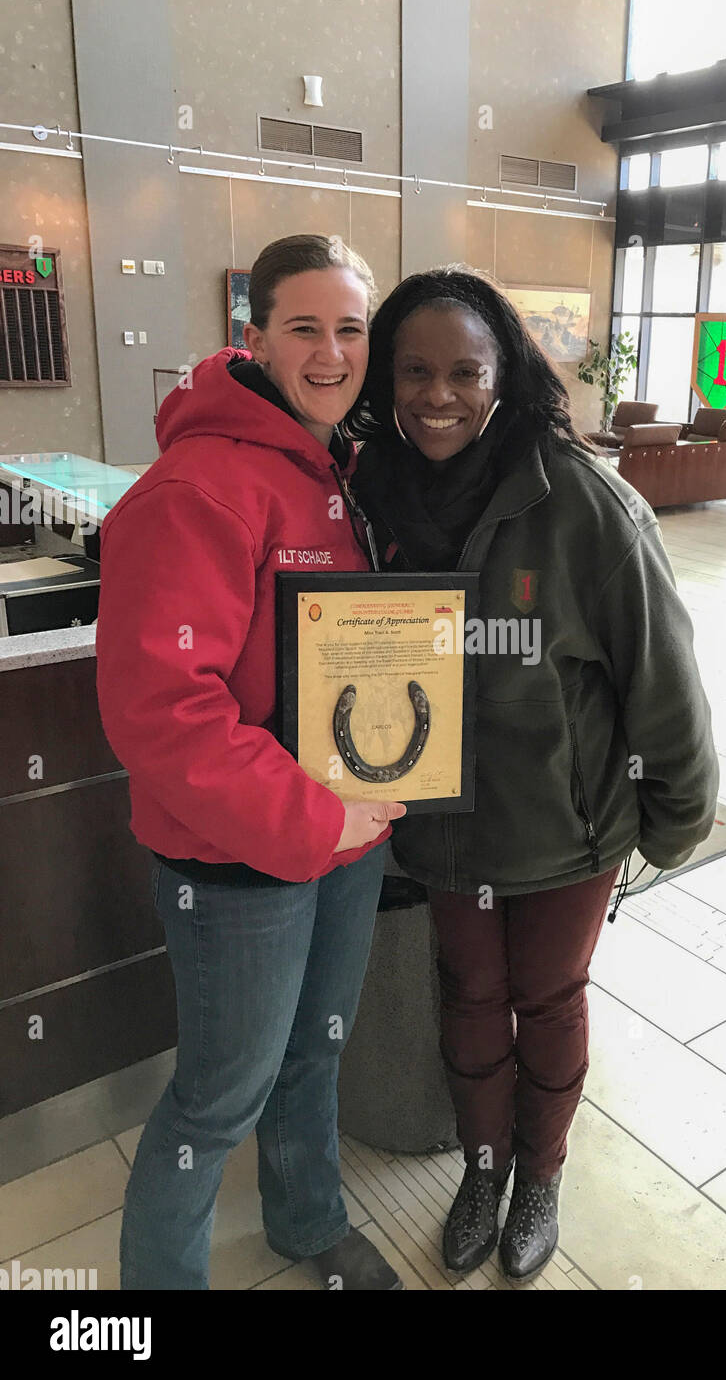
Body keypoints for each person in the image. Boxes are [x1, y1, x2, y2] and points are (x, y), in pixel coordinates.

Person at [349, 265, 720, 1282]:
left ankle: (540, 1172)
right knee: (469, 997)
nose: (437, 394)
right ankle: (483, 1166)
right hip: (439, 821)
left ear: (503, 374)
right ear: (384, 377)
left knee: (548, 1000)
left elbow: (665, 682)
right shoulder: (366, 490)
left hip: (566, 830)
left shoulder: (585, 502)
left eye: (463, 371)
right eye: (413, 370)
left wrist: (674, 822)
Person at [95, 234, 405, 1291]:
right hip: (239, 861)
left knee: (316, 1047)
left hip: (347, 833)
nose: (330, 352)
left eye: (350, 328)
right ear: (254, 335)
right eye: (304, 328)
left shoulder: (341, 470)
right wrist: (319, 818)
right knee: (219, 1094)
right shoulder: (198, 487)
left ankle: (308, 1221)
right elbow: (162, 712)